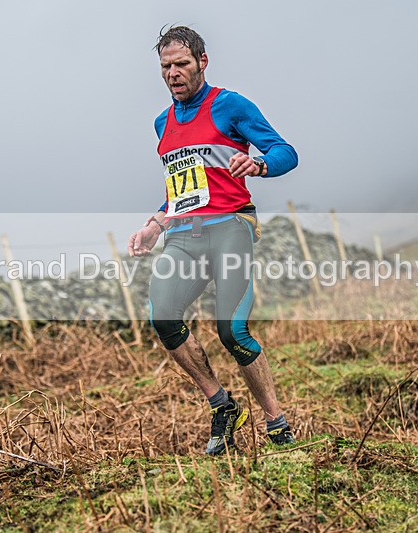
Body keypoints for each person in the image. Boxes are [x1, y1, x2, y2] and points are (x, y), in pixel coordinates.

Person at [128, 26, 299, 455]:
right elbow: (179, 189)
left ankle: (276, 422)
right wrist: (155, 224)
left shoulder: (230, 106)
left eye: (182, 64)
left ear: (202, 62)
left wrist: (258, 165)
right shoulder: (161, 123)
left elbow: (286, 152)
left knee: (232, 330)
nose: (173, 73)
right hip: (185, 235)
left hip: (230, 227)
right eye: (165, 66)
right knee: (163, 317)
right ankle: (222, 404)